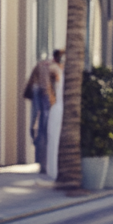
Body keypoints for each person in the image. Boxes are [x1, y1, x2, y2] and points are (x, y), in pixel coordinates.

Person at [24, 56, 57, 172]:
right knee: (44, 130)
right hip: (45, 111)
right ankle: (44, 164)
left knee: (42, 130)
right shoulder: (48, 68)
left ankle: (43, 163)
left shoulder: (43, 67)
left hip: (42, 114)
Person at [46, 50, 65, 181]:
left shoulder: (59, 70)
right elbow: (50, 88)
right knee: (53, 139)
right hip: (57, 108)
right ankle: (53, 170)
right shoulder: (54, 69)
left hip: (59, 108)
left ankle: (54, 170)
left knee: (55, 139)